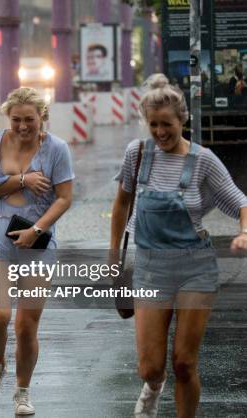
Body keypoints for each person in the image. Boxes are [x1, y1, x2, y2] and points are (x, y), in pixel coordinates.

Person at [110, 74, 247, 418]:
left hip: (195, 269)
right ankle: (153, 386)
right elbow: (122, 202)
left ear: (182, 120)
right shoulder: (137, 154)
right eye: (153, 125)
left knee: (184, 362)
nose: (159, 133)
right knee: (150, 367)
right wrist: (113, 254)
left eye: (166, 124)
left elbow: (240, 202)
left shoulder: (204, 161)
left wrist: (244, 230)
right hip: (150, 268)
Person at [0, 87, 74, 415]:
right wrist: (21, 179)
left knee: (26, 325)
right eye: (16, 119)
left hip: (37, 242)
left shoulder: (56, 149)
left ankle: (22, 392)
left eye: (29, 119)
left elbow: (64, 198)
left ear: (42, 117)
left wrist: (36, 230)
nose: (22, 126)